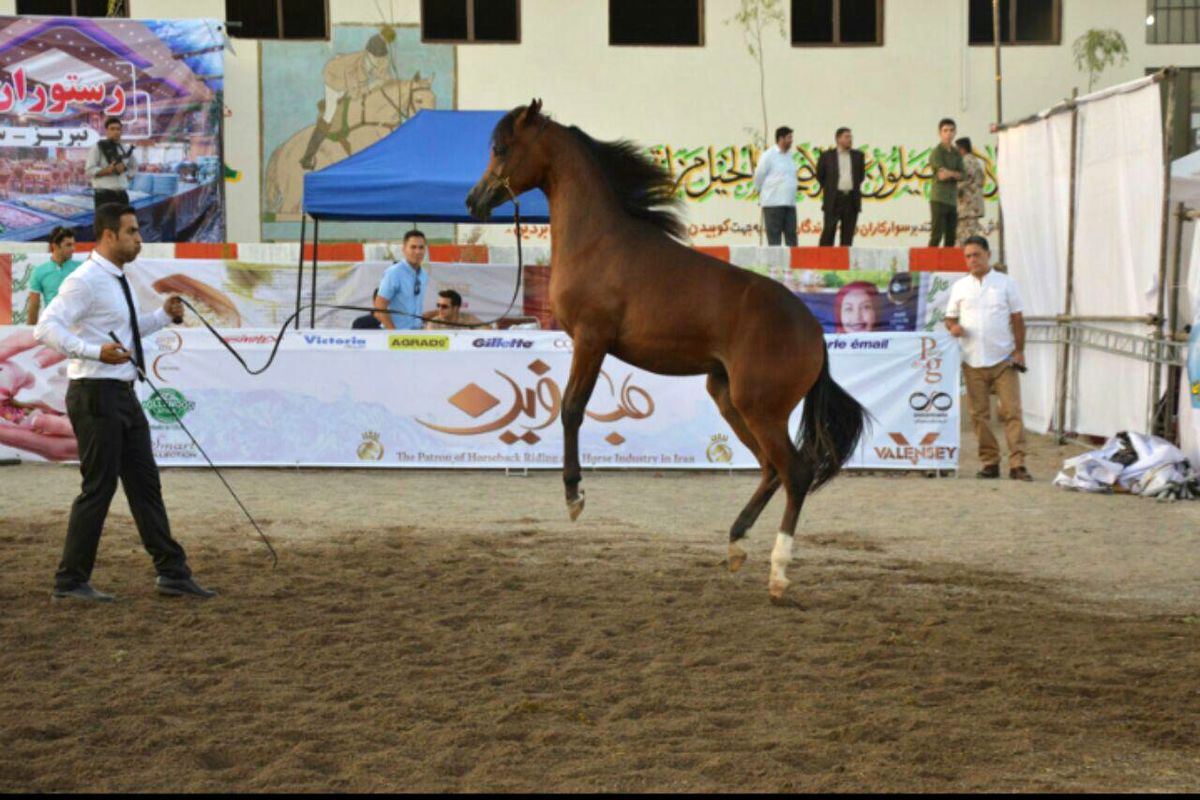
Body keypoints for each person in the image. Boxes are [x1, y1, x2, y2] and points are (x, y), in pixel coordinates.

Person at [33, 203, 217, 601]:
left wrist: (162, 317)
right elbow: (45, 328)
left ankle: (172, 572)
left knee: (145, 484)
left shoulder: (118, 279)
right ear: (108, 235)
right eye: (132, 232)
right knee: (98, 488)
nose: (139, 239)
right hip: (95, 393)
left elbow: (128, 332)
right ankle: (69, 581)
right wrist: (94, 351)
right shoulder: (84, 281)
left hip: (120, 391)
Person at [944, 235, 1032, 481]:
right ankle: (990, 462)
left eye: (977, 255)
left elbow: (1017, 318)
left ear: (988, 255)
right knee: (978, 414)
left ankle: (1018, 463)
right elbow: (949, 317)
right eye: (968, 256)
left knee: (1011, 411)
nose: (973, 260)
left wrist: (1019, 350)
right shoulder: (960, 287)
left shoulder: (1006, 283)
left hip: (1003, 358)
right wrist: (952, 327)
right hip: (972, 359)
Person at [300, 29, 395, 170]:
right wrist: (372, 85)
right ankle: (307, 157)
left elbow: (386, 76)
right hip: (335, 78)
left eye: (381, 57)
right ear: (368, 54)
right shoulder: (353, 69)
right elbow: (355, 94)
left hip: (351, 77)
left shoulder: (378, 59)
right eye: (376, 57)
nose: (379, 61)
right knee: (330, 114)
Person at [816, 127, 866, 247]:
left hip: (851, 200)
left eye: (851, 137)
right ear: (838, 139)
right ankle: (824, 262)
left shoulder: (858, 156)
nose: (850, 139)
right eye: (847, 137)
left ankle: (843, 264)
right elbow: (820, 176)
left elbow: (860, 177)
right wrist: (832, 189)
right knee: (829, 232)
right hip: (834, 199)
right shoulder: (827, 156)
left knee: (848, 235)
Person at [753, 126, 798, 246]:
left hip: (789, 203)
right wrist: (760, 192)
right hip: (773, 204)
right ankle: (775, 265)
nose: (791, 140)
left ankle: (793, 265)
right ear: (781, 139)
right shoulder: (769, 155)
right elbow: (759, 175)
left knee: (792, 237)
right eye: (789, 138)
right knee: (774, 239)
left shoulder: (790, 156)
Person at [26, 226, 81, 325]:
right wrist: (30, 332)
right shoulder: (39, 271)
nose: (73, 249)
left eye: (73, 244)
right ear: (55, 246)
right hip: (53, 326)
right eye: (68, 245)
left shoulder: (81, 268)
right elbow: (34, 306)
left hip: (78, 326)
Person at [374, 230, 429, 330]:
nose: (418, 251)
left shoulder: (423, 274)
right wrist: (395, 335)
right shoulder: (394, 273)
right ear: (404, 249)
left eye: (421, 248)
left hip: (416, 335)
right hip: (396, 337)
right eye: (413, 247)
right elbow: (379, 308)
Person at [86, 117, 137, 216]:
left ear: (121, 131)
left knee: (123, 226)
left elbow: (134, 166)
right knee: (106, 228)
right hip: (104, 196)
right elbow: (89, 170)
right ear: (106, 131)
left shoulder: (125, 148)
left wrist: (127, 176)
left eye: (118, 129)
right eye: (112, 129)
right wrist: (107, 170)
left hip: (122, 195)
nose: (116, 132)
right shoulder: (97, 147)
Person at [928, 118, 963, 247]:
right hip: (939, 199)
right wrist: (954, 173)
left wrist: (950, 173)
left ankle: (947, 267)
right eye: (945, 130)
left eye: (951, 130)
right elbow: (942, 176)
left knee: (951, 237)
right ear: (940, 133)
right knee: (937, 235)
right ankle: (929, 266)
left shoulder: (956, 153)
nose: (949, 134)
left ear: (955, 132)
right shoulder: (937, 152)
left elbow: (963, 175)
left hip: (952, 200)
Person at [956, 137, 985, 244]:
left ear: (962, 149)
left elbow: (960, 184)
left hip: (966, 210)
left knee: (964, 243)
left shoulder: (965, 162)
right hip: (974, 208)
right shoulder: (977, 162)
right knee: (973, 241)